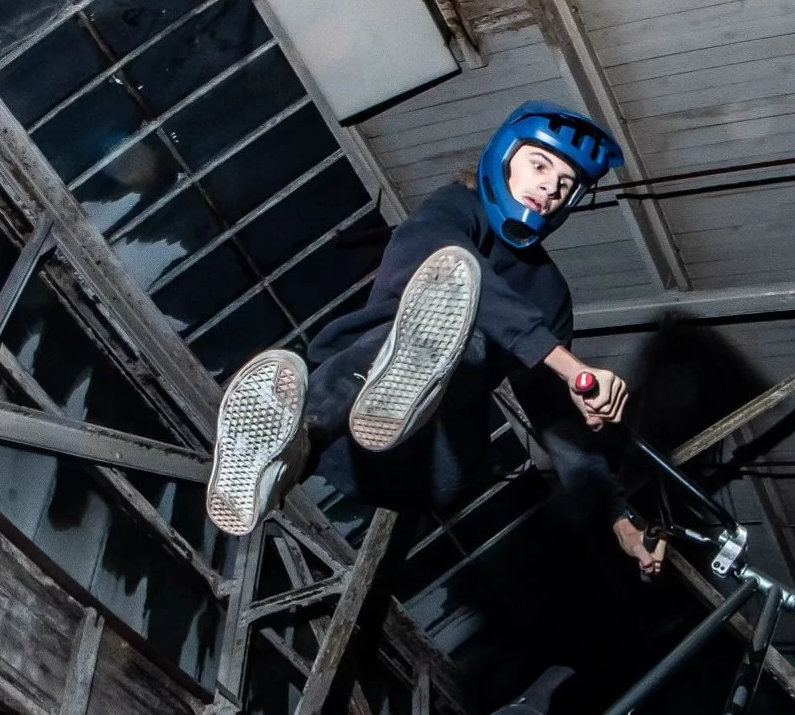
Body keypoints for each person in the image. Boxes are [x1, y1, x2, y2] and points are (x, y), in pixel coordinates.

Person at [204, 101, 666, 578]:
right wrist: (572, 366)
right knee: (453, 287)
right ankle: (277, 463)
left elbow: (556, 423)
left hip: (431, 459)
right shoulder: (455, 209)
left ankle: (365, 408)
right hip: (345, 431)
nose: (551, 185)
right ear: (505, 159)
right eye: (540, 165)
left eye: (566, 184)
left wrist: (618, 518)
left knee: (472, 336)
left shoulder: (548, 292)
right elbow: (437, 252)